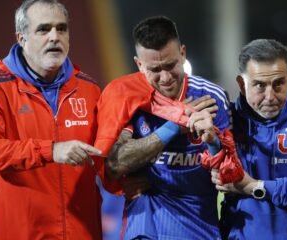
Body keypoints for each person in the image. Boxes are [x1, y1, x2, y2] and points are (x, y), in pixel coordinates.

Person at [0, 0, 104, 239]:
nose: (54, 37)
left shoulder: (89, 90)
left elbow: (106, 156)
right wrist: (50, 151)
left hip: (80, 232)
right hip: (16, 232)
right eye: (43, 29)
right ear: (22, 38)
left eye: (61, 29)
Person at [95, 16, 231, 239]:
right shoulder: (127, 99)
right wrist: (175, 126)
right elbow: (115, 163)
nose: (166, 77)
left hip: (197, 226)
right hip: (144, 225)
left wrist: (213, 142)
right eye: (155, 69)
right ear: (139, 65)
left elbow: (230, 171)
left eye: (171, 65)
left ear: (183, 54)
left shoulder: (211, 98)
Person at [211, 39, 287, 239]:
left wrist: (254, 186)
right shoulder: (227, 120)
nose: (270, 96)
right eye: (259, 85)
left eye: (278, 84)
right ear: (242, 85)